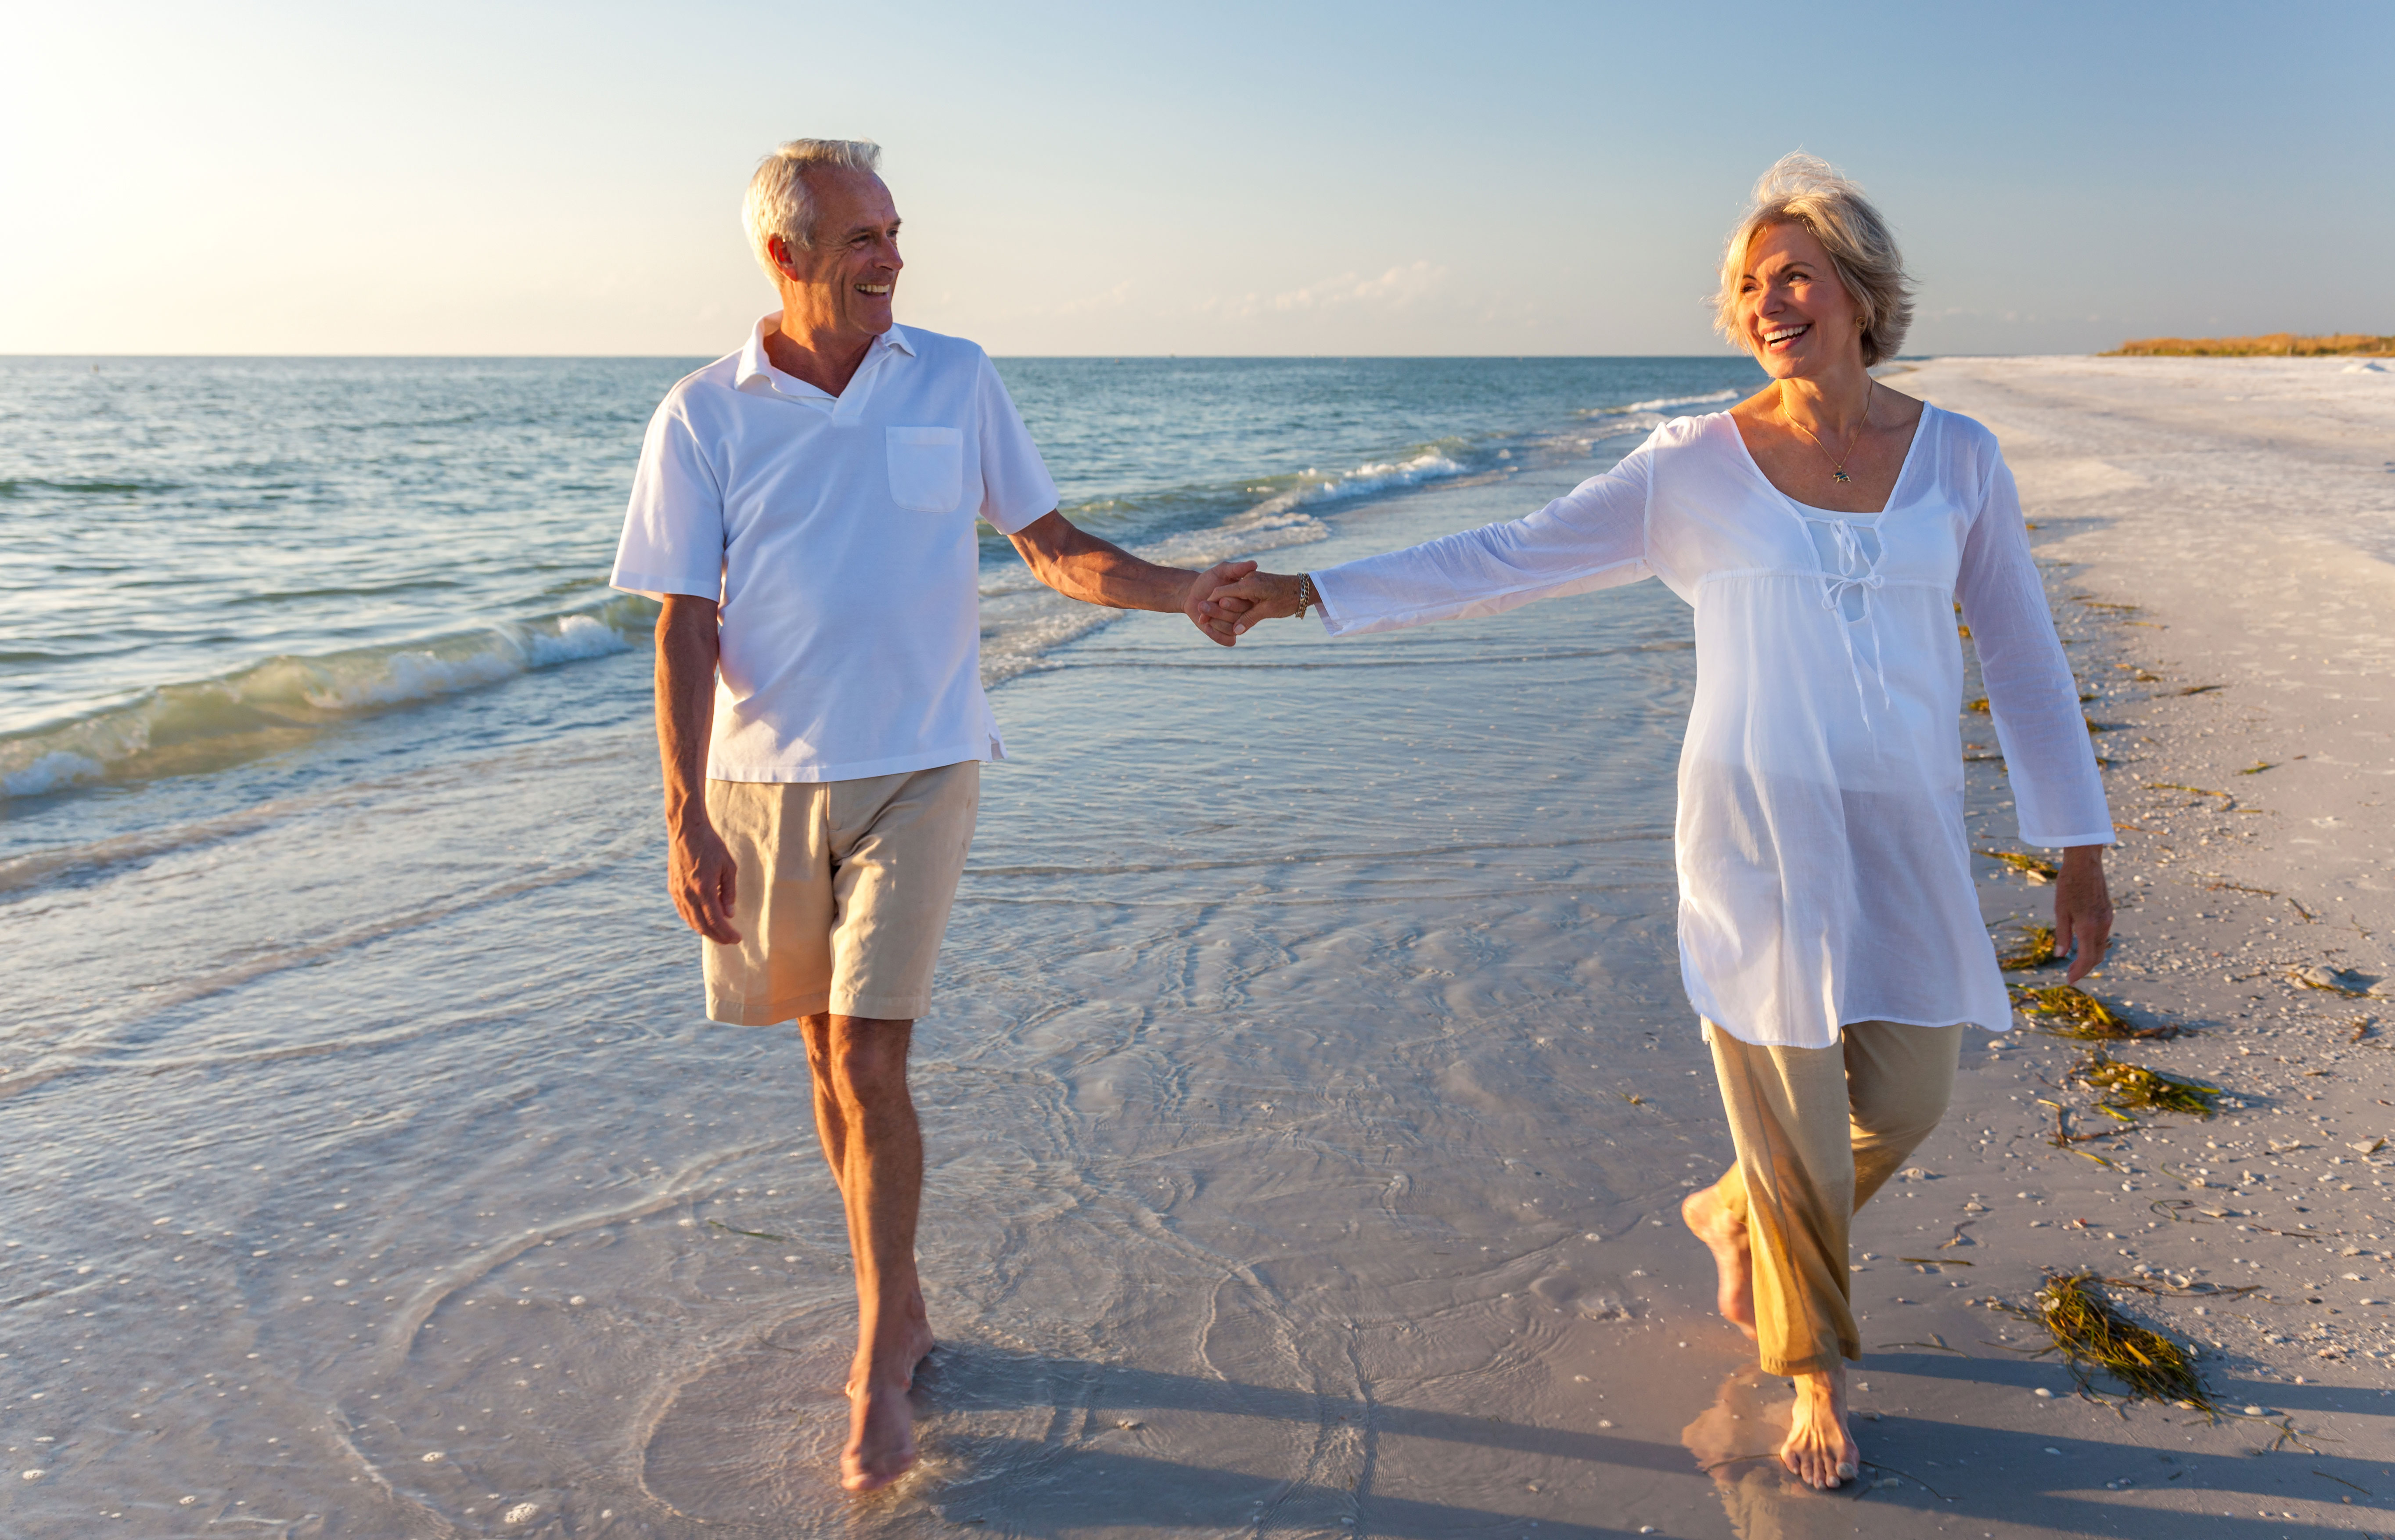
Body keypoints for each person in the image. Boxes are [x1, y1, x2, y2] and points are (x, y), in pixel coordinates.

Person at [1200, 153, 2112, 1492]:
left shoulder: (1960, 459)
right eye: (1746, 284)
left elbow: (2024, 657)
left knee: (1908, 1094)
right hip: (1753, 834)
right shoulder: (1693, 465)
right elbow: (1506, 555)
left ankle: (1730, 1208)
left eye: (1792, 273)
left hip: (1904, 834)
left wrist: (2079, 848)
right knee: (1794, 1112)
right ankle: (1817, 1374)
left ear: (1862, 290)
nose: (1765, 299)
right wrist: (1305, 592)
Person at [609, 138, 1251, 1493]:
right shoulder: (702, 414)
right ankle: (894, 1290)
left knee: (875, 1059)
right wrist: (684, 812)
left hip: (925, 763)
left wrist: (1183, 587)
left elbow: (1051, 545)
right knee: (822, 1059)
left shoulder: (953, 376)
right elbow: (682, 624)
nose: (892, 257)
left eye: (896, 231)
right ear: (783, 257)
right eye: (862, 239)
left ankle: (877, 1348)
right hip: (761, 780)